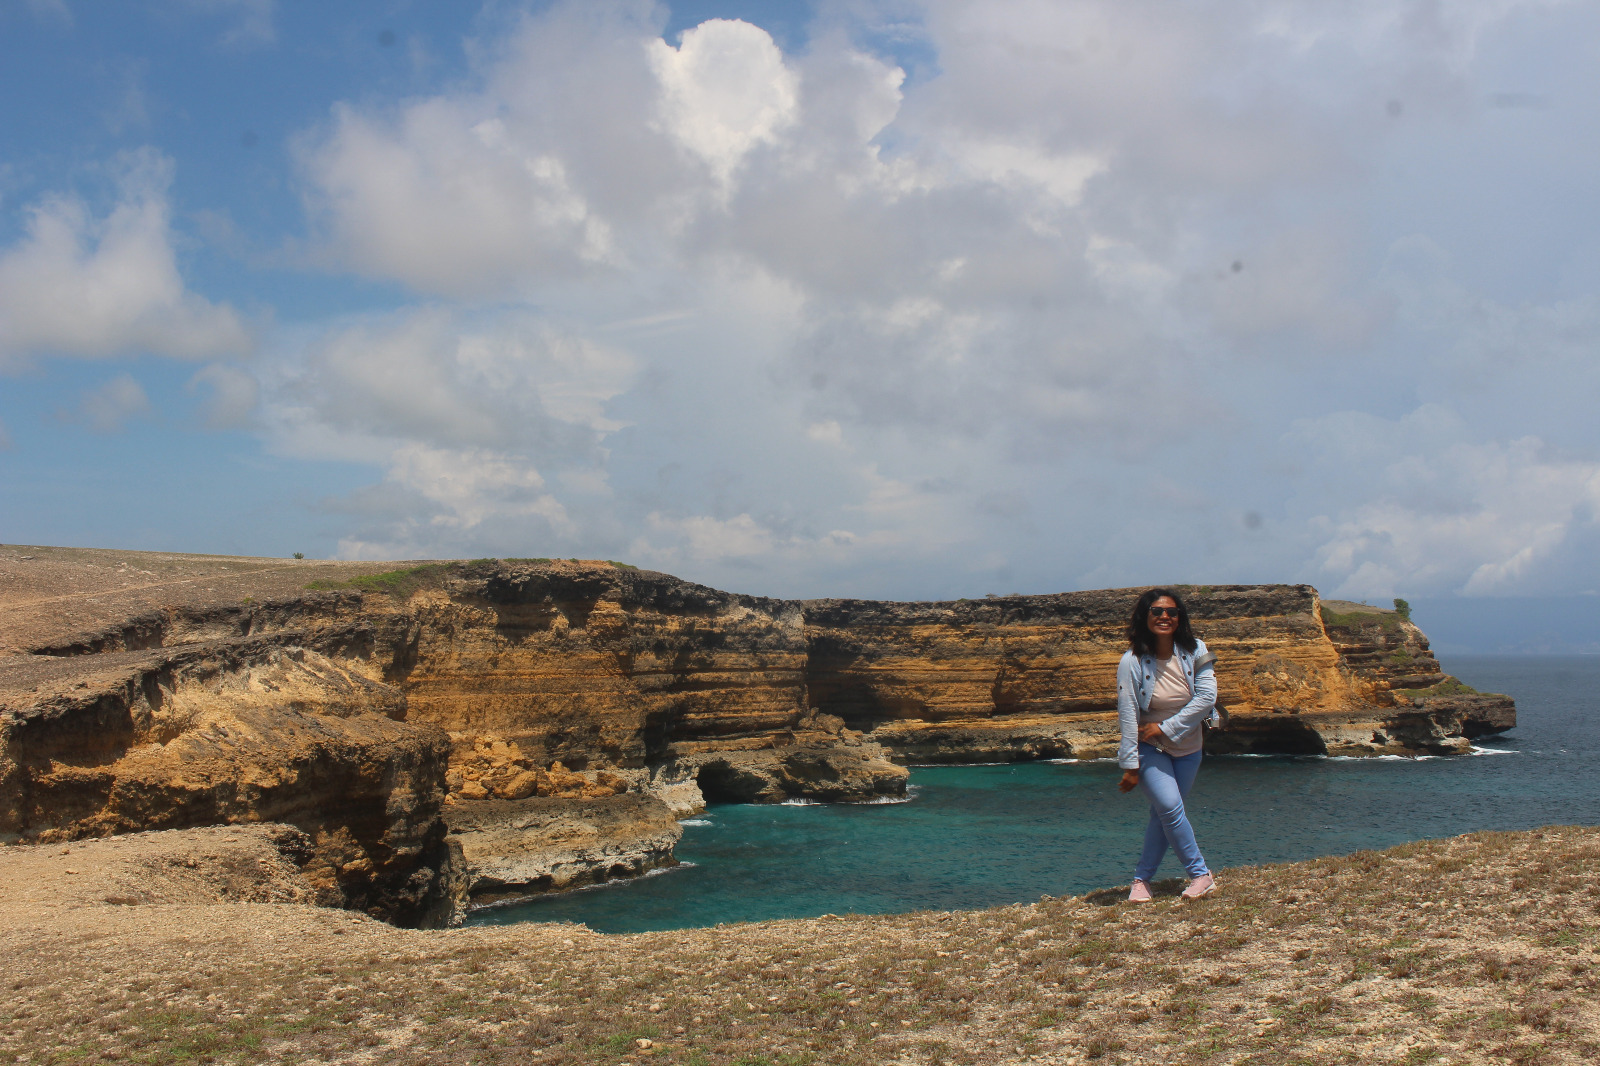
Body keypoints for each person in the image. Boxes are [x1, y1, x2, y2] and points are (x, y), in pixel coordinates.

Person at [1116, 588, 1216, 901]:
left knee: (1163, 813)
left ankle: (1142, 880)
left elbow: (1207, 697)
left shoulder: (1197, 650)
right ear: (1144, 617)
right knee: (1170, 808)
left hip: (1189, 748)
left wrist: (1165, 727)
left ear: (1180, 617)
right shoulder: (1131, 661)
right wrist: (1130, 764)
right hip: (1150, 748)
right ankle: (1200, 874)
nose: (1165, 617)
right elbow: (1128, 713)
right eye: (1157, 611)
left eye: (1172, 612)